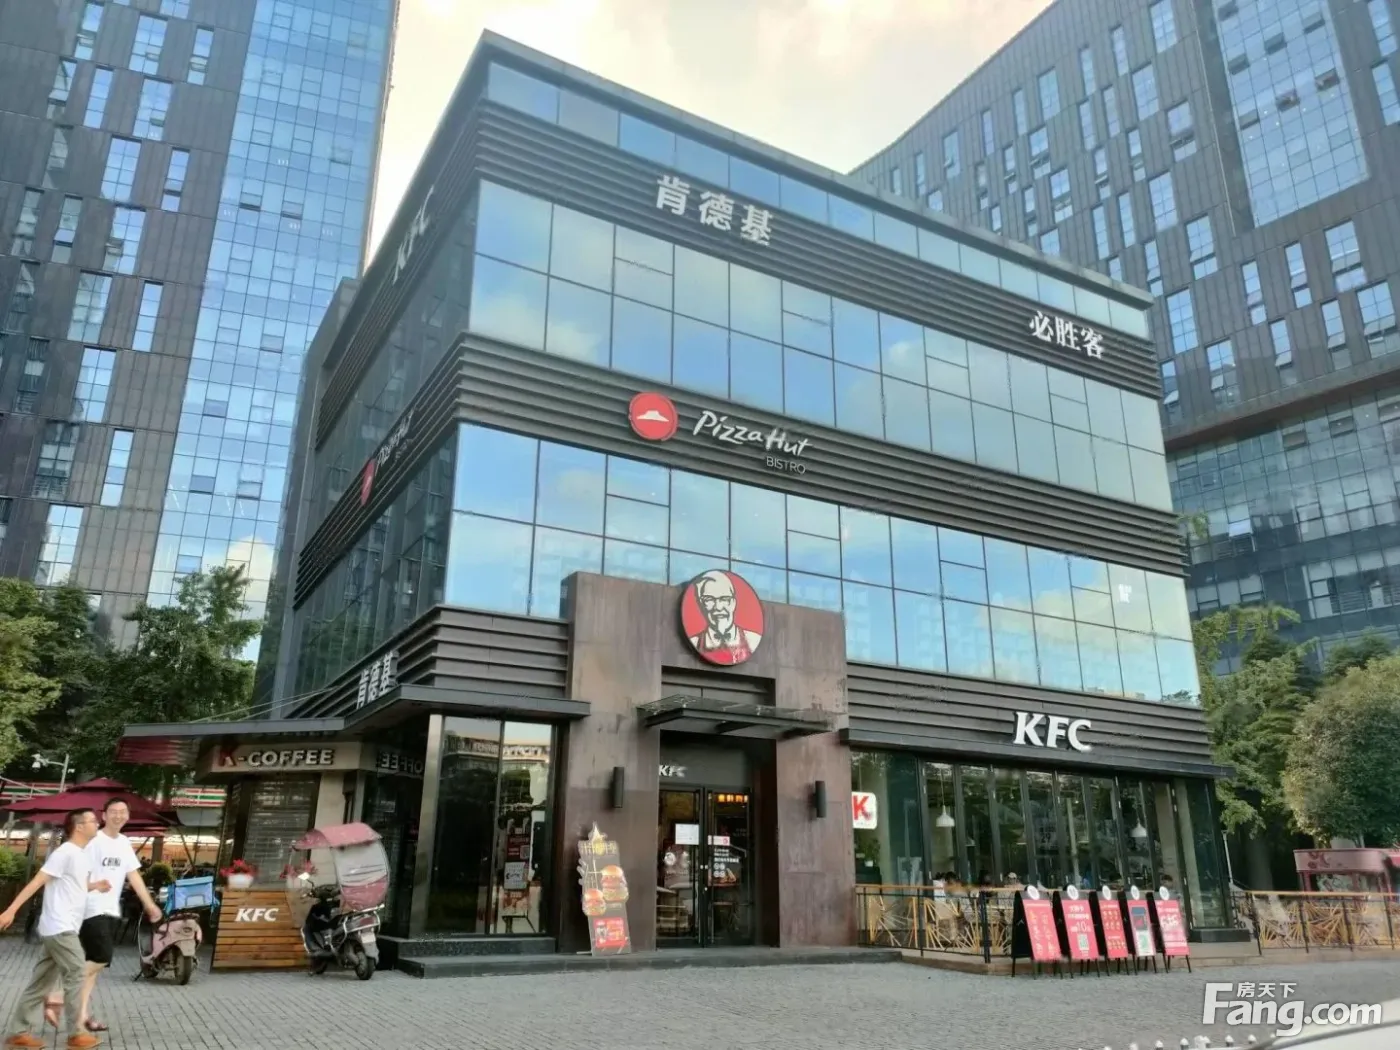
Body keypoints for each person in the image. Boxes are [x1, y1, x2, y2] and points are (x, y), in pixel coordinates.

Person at [44, 799, 163, 1036]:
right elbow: (72, 869)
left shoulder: (124, 842)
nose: (118, 815)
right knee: (101, 957)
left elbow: (133, 875)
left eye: (123, 811)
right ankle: (57, 995)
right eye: (113, 812)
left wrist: (149, 904)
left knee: (94, 967)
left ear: (127, 816)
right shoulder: (94, 840)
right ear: (104, 816)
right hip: (89, 908)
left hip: (109, 909)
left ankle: (82, 1016)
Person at [0, 809, 111, 1050]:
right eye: (93, 820)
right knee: (77, 972)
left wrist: (95, 885)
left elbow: (74, 886)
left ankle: (18, 1033)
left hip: (59, 928)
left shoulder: (80, 855)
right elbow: (38, 881)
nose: (98, 823)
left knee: (40, 983)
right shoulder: (65, 852)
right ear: (79, 826)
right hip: (61, 927)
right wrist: (11, 910)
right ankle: (76, 1034)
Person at [687, 570, 762, 664]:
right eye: (709, 599)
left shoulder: (752, 640)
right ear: (701, 605)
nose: (718, 607)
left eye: (724, 599)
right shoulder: (694, 642)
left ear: (733, 603)